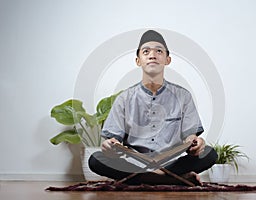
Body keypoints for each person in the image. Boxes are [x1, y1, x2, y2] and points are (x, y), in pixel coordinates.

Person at [89, 30, 217, 185]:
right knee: (95, 159)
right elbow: (113, 140)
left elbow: (190, 137)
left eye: (158, 51)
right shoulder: (124, 98)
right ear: (138, 60)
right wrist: (109, 145)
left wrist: (196, 143)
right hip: (135, 163)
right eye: (146, 51)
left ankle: (142, 179)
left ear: (167, 59)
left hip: (173, 163)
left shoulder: (183, 96)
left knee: (210, 154)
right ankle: (174, 180)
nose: (152, 55)